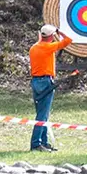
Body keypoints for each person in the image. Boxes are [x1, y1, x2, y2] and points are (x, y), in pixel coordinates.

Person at [28, 23, 72, 152]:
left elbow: (40, 42)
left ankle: (44, 142)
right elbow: (68, 40)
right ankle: (36, 144)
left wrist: (49, 34)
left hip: (36, 82)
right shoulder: (49, 47)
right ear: (51, 36)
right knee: (42, 115)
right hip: (45, 81)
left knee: (42, 114)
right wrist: (60, 32)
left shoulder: (34, 48)